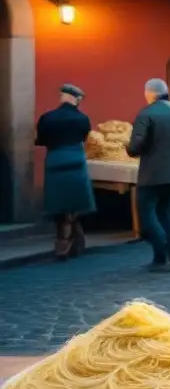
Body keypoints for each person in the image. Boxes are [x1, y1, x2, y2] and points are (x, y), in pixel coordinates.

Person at [126, 78, 170, 272]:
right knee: (167, 214)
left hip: (151, 174)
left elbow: (135, 147)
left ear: (150, 93)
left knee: (147, 215)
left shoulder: (146, 113)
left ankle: (163, 251)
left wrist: (129, 147)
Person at [35, 84, 95, 259]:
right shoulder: (83, 119)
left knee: (58, 202)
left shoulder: (47, 117)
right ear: (76, 99)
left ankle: (63, 239)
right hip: (76, 160)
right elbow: (85, 138)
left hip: (55, 160)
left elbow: (40, 140)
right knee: (75, 201)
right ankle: (71, 237)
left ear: (62, 97)